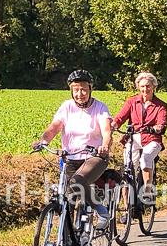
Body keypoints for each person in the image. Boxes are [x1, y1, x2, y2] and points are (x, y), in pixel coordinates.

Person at [32, 69, 112, 229]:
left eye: (83, 89)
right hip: (70, 158)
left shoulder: (100, 108)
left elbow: (107, 131)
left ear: (90, 89)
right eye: (75, 90)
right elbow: (55, 127)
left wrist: (105, 145)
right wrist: (43, 140)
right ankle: (66, 245)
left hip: (94, 157)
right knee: (68, 199)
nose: (79, 93)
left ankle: (101, 210)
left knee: (77, 182)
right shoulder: (67, 107)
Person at [111, 71, 167, 196]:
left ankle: (147, 190)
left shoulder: (161, 106)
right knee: (128, 166)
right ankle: (126, 202)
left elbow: (162, 124)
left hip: (152, 138)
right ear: (138, 87)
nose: (145, 89)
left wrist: (155, 129)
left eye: (148, 86)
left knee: (145, 158)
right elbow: (121, 117)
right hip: (134, 137)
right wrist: (114, 125)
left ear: (153, 87)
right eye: (142, 86)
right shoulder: (132, 101)